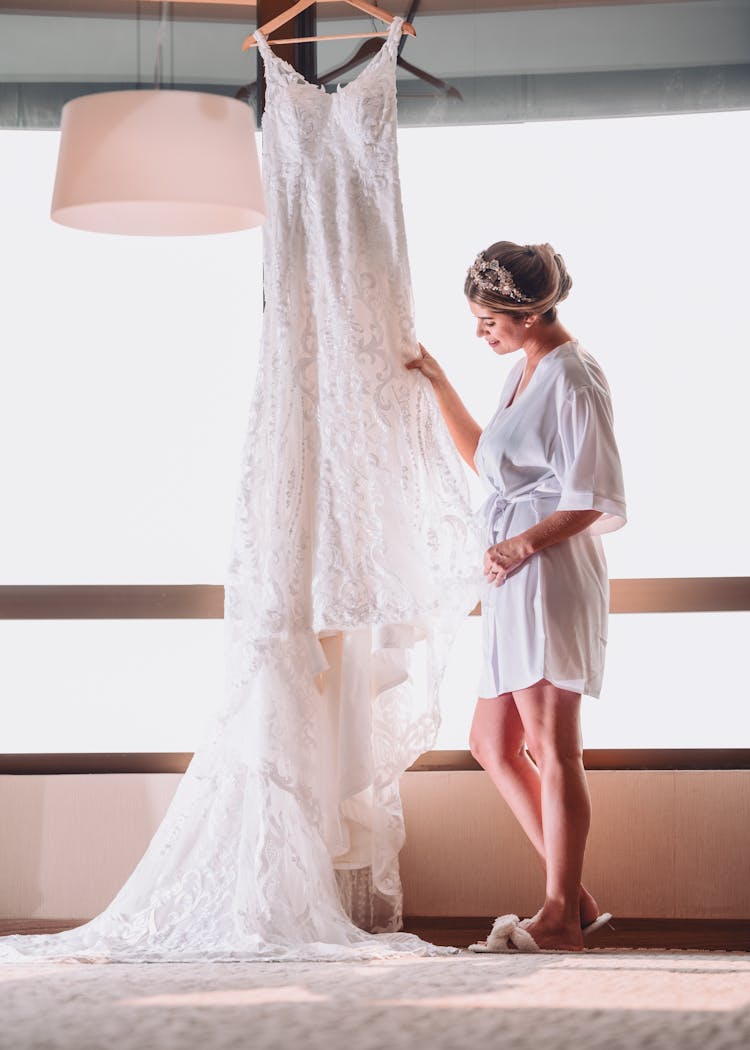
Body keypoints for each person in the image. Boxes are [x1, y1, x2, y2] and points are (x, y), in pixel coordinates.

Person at [405, 241, 627, 952]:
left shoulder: (574, 376)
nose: (480, 331)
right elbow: (493, 466)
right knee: (490, 742)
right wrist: (438, 382)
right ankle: (578, 899)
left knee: (551, 745)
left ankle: (560, 914)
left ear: (528, 312)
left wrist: (524, 543)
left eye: (488, 318)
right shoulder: (524, 369)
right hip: (512, 574)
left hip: (548, 571)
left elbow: (596, 495)